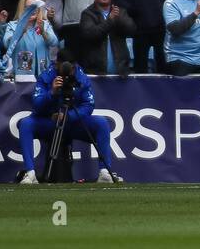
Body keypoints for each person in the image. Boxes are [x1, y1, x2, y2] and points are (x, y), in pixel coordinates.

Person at [17, 54, 123, 184]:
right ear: (57, 64)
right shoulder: (46, 76)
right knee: (26, 124)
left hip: (72, 122)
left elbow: (88, 105)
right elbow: (37, 105)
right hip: (49, 121)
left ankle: (104, 172)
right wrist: (52, 93)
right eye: (65, 68)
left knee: (101, 123)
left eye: (72, 68)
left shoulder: (80, 76)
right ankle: (30, 173)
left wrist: (69, 116)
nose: (70, 71)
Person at [79, 0, 136, 76]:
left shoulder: (120, 12)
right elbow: (90, 34)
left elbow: (132, 29)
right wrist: (110, 20)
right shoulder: (87, 14)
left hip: (120, 73)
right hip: (96, 73)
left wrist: (119, 18)